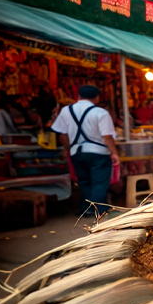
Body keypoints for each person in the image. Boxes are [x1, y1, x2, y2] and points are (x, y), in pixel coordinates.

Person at [50, 85, 119, 215]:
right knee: (99, 182)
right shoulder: (101, 113)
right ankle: (98, 209)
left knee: (84, 182)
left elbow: (62, 135)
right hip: (99, 153)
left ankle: (86, 208)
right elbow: (107, 136)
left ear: (79, 96)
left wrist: (69, 149)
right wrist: (114, 153)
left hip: (76, 152)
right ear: (97, 98)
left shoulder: (66, 111)